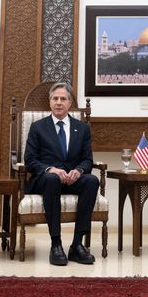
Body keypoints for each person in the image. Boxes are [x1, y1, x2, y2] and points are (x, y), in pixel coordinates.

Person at [22, 83, 99, 266]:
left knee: (91, 180)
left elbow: (87, 160)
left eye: (63, 99)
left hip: (71, 179)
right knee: (52, 179)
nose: (58, 102)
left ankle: (77, 245)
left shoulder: (82, 128)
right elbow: (30, 160)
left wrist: (78, 171)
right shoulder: (38, 127)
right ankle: (56, 244)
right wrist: (50, 169)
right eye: (55, 98)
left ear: (69, 103)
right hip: (45, 180)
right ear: (50, 102)